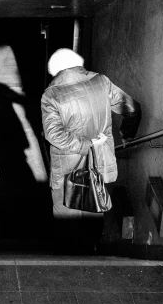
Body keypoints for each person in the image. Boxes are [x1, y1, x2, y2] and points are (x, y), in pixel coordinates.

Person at [40, 48, 141, 250]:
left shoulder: (52, 95)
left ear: (57, 70)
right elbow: (132, 108)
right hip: (100, 160)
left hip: (68, 164)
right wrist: (126, 134)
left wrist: (85, 144)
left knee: (65, 213)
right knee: (95, 205)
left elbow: (54, 134)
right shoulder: (101, 82)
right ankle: (92, 252)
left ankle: (66, 257)